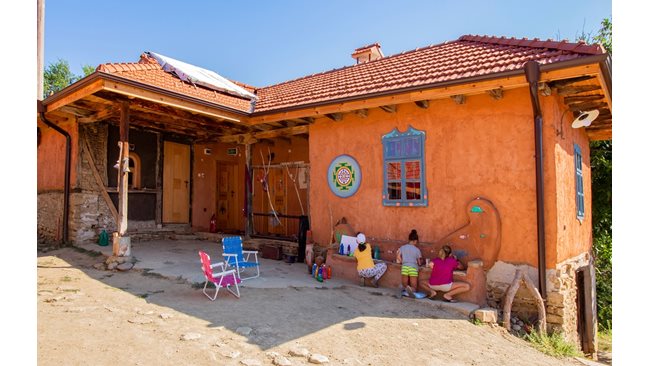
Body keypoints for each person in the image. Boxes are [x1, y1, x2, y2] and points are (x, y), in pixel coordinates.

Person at [396, 229, 422, 298]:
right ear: (415, 241)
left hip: (404, 267)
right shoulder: (417, 250)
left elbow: (398, 256)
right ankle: (411, 290)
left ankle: (402, 288)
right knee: (414, 286)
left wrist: (402, 262)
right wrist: (420, 263)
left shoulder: (402, 247)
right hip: (413, 267)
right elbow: (419, 262)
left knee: (404, 284)